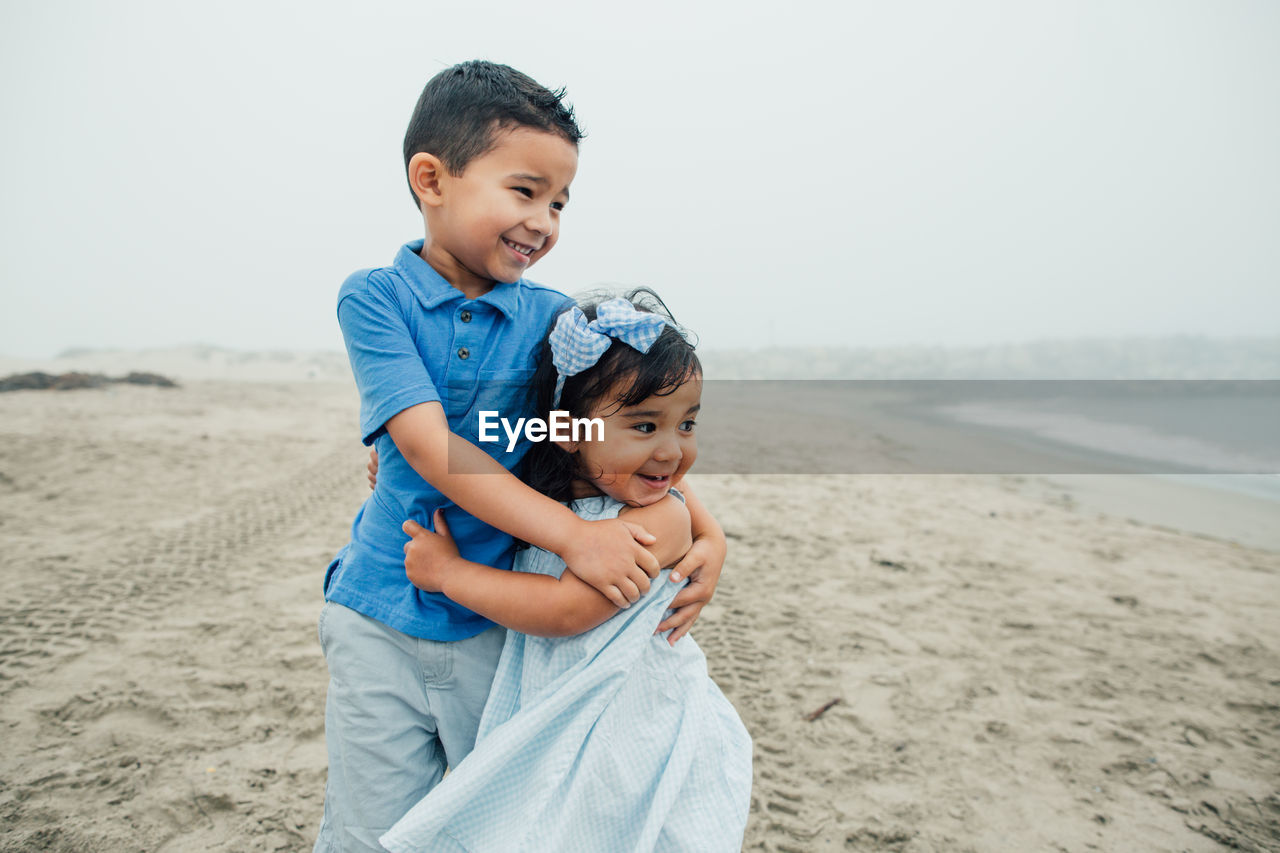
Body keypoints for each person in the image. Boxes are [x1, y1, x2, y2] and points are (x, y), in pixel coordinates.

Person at [316, 62, 728, 852]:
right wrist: (576, 536)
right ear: (432, 178)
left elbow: (612, 435)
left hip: (504, 629)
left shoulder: (554, 319)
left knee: (499, 821)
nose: (544, 220)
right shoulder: (376, 296)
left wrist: (705, 531)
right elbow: (430, 444)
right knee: (372, 828)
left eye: (561, 201)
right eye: (525, 190)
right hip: (381, 606)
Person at [380, 294, 752, 853]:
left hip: (627, 727)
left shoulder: (658, 520)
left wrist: (449, 574)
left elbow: (565, 611)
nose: (673, 450)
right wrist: (390, 456)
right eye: (646, 425)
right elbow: (468, 454)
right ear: (567, 432)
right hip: (576, 709)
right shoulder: (558, 493)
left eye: (688, 424)